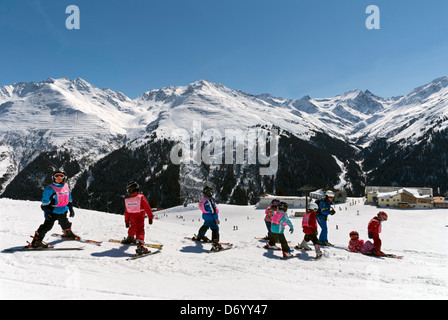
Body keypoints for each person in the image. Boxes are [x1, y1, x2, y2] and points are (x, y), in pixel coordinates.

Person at [31, 170, 78, 248]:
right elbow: (45, 201)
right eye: (57, 176)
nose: (59, 178)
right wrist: (46, 210)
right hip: (53, 211)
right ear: (53, 178)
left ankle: (67, 232)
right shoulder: (49, 189)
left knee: (64, 222)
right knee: (47, 226)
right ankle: (37, 241)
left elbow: (69, 198)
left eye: (61, 177)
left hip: (63, 210)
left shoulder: (66, 187)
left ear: (64, 178)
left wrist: (70, 208)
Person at [122, 181, 154, 255]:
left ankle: (130, 237)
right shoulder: (141, 197)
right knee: (140, 230)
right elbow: (147, 207)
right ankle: (140, 247)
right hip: (139, 218)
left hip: (132, 218)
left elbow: (126, 212)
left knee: (132, 226)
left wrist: (126, 221)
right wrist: (150, 217)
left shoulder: (129, 200)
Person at [194, 186, 222, 251]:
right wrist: (216, 218)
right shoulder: (209, 200)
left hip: (206, 216)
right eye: (211, 193)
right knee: (215, 228)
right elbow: (213, 211)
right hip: (211, 217)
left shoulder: (203, 199)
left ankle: (200, 235)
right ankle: (215, 243)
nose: (212, 194)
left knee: (205, 226)